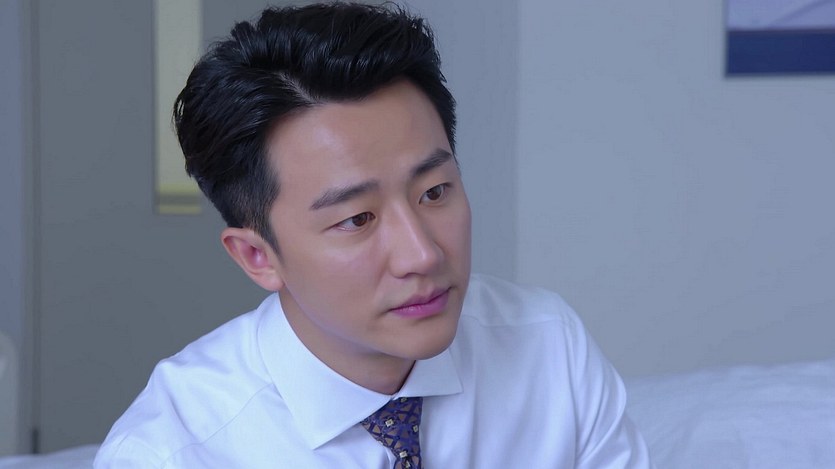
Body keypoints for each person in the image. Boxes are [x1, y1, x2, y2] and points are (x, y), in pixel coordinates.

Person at [95, 3, 652, 468]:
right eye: (357, 219)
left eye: (434, 192)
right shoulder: (170, 453)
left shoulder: (548, 347)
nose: (422, 254)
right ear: (257, 257)